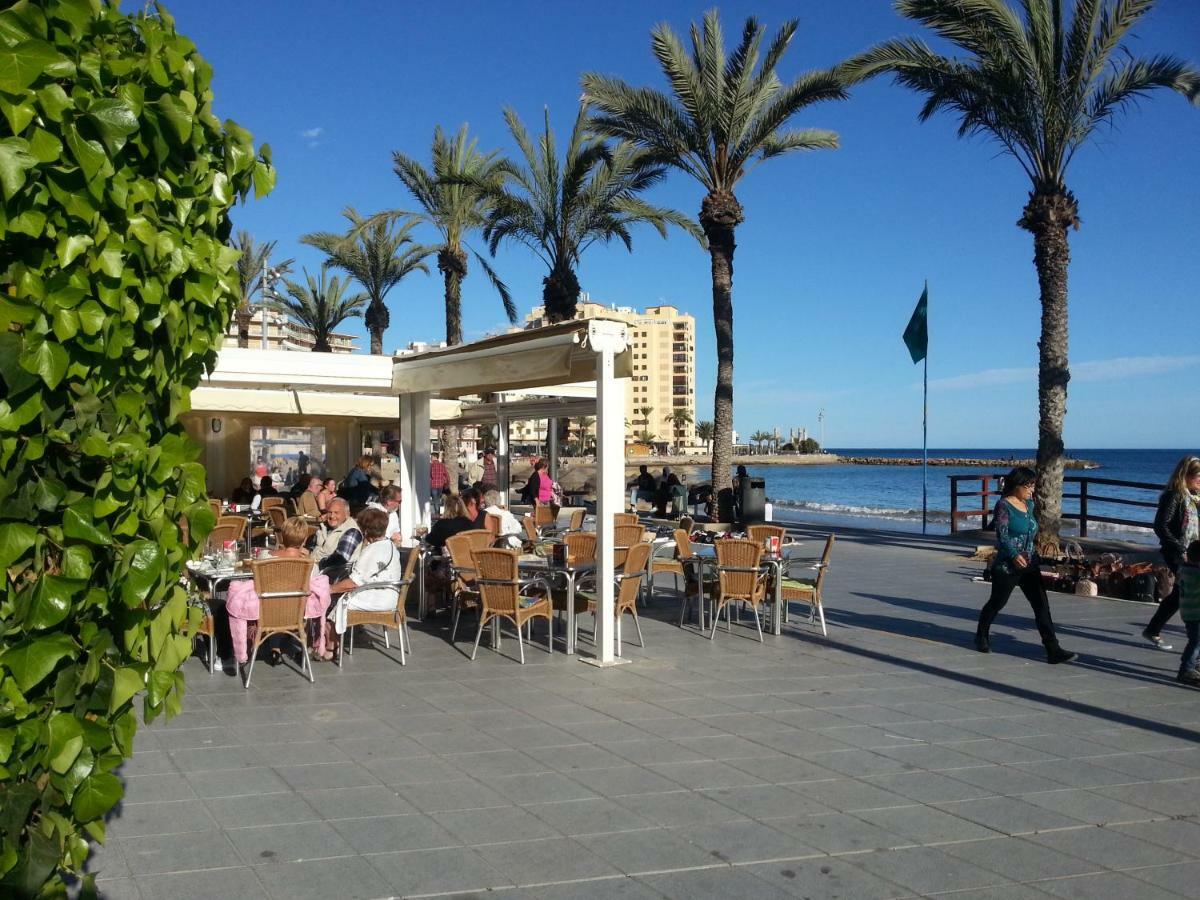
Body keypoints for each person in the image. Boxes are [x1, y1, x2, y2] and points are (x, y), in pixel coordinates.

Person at [975, 467, 1076, 664]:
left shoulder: (1029, 505)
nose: (1032, 490)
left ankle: (1052, 649)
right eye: (1028, 486)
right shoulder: (1003, 506)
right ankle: (981, 635)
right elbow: (1002, 535)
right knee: (997, 603)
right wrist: (1013, 555)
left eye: (1033, 485)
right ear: (1016, 485)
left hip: (1030, 564)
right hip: (1008, 565)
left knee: (1041, 606)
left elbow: (1031, 530)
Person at [226, 517, 332, 669]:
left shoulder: (265, 558)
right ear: (304, 540)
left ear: (282, 536)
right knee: (285, 602)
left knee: (269, 599)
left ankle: (261, 648)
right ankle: (280, 647)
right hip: (295, 615)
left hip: (266, 613)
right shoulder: (310, 564)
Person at [327, 507, 405, 657]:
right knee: (338, 595)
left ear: (366, 531)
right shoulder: (389, 545)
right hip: (390, 596)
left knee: (335, 600)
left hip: (378, 599)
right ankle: (333, 642)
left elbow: (354, 582)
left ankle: (331, 647)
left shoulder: (373, 550)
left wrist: (330, 588)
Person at [1141, 455, 1200, 650]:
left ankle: (1153, 629)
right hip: (1177, 551)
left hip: (1192, 551)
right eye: (1198, 476)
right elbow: (1161, 526)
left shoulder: (1193, 498)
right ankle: (1193, 641)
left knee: (1179, 592)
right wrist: (1180, 548)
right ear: (1186, 475)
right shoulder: (1174, 496)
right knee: (1186, 590)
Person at [309, 498, 362, 580]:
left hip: (330, 576)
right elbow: (312, 544)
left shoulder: (352, 531)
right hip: (312, 567)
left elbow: (340, 559)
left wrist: (317, 563)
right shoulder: (325, 527)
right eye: (330, 512)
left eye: (336, 513)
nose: (332, 516)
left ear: (347, 514)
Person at [1175, 540, 1200, 686]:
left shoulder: (1183, 569)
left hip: (1187, 612)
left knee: (1197, 641)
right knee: (1195, 642)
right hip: (1196, 613)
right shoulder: (1197, 575)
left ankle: (1194, 664)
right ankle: (1186, 669)